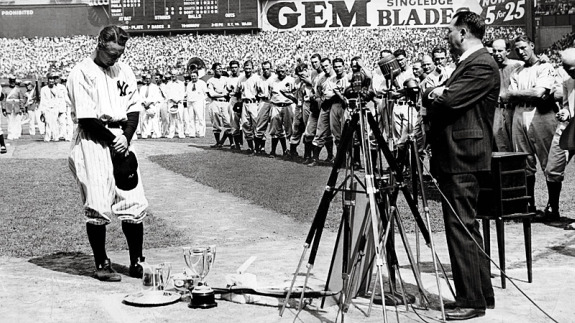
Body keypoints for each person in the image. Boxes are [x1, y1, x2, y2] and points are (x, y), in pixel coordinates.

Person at [426, 11, 497, 320]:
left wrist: (435, 92)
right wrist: (439, 92)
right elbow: (446, 97)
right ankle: (481, 294)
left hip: (462, 155)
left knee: (461, 228)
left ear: (464, 32)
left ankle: (471, 300)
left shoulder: (480, 63)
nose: (447, 36)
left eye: (450, 31)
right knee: (466, 227)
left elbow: (451, 100)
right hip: (460, 154)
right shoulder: (470, 63)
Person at [67, 26, 149, 282]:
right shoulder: (81, 72)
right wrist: (116, 139)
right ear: (100, 44)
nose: (116, 59)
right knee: (98, 203)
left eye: (120, 53)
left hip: (122, 137)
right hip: (94, 139)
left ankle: (137, 261)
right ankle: (102, 263)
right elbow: (87, 118)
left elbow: (133, 108)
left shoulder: (124, 70)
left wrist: (126, 137)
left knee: (133, 200)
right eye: (112, 53)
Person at [505, 35, 558, 219]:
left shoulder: (545, 67)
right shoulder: (517, 72)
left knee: (549, 163)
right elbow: (510, 97)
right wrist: (520, 95)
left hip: (541, 115)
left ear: (532, 45)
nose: (521, 52)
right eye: (517, 49)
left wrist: (516, 94)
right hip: (520, 114)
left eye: (523, 47)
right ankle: (529, 205)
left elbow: (538, 93)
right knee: (524, 162)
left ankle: (553, 207)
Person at [543, 48, 575, 224]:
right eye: (567, 69)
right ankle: (553, 209)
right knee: (553, 168)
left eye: (571, 69)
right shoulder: (568, 82)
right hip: (567, 128)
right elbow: (566, 106)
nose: (569, 73)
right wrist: (564, 112)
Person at [491, 38, 523, 152]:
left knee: (517, 141)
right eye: (494, 51)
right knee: (499, 139)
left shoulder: (517, 65)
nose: (496, 54)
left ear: (508, 51)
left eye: (500, 51)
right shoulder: (490, 66)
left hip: (513, 108)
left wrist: (543, 60)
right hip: (497, 109)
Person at [236, 60, 259, 153]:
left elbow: (260, 92)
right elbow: (238, 91)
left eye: (249, 68)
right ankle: (250, 147)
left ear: (252, 69)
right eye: (246, 68)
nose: (248, 70)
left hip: (254, 102)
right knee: (245, 125)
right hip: (244, 102)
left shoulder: (257, 78)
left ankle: (259, 148)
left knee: (256, 124)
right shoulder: (241, 79)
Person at [207, 62, 231, 147]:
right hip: (215, 102)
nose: (220, 70)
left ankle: (226, 142)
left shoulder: (225, 79)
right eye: (218, 69)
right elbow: (212, 94)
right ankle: (218, 142)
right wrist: (223, 93)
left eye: (221, 69)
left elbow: (229, 90)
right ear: (213, 70)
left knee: (228, 123)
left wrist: (223, 93)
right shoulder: (210, 81)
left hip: (225, 102)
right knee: (216, 124)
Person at [38, 73, 64, 142]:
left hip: (55, 108)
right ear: (48, 81)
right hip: (47, 108)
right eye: (50, 80)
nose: (51, 82)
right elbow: (42, 100)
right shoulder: (44, 89)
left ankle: (55, 137)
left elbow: (60, 99)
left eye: (52, 80)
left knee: (55, 122)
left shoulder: (57, 89)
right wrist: (42, 109)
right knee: (48, 122)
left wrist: (59, 108)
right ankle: (47, 137)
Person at [185, 70, 208, 138]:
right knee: (191, 118)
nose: (193, 77)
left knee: (200, 118)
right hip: (190, 102)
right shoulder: (189, 84)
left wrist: (203, 100)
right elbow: (187, 93)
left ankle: (201, 133)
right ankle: (192, 133)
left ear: (198, 76)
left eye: (194, 76)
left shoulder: (202, 83)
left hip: (199, 102)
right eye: (192, 76)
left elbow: (206, 93)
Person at [139, 73, 162, 139]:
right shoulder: (142, 88)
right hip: (144, 105)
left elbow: (156, 97)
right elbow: (140, 97)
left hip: (152, 105)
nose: (148, 80)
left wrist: (149, 103)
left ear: (151, 79)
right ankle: (144, 134)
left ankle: (156, 134)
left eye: (149, 78)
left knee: (154, 120)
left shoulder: (155, 87)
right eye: (147, 78)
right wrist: (144, 103)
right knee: (144, 120)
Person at [4, 75, 25, 140]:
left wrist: (21, 108)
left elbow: (21, 100)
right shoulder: (5, 90)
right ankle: (10, 134)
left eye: (13, 81)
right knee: (10, 122)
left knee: (16, 121)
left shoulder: (18, 90)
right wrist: (3, 109)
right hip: (8, 107)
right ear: (9, 82)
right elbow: (3, 100)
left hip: (17, 107)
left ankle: (16, 134)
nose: (12, 83)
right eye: (11, 81)